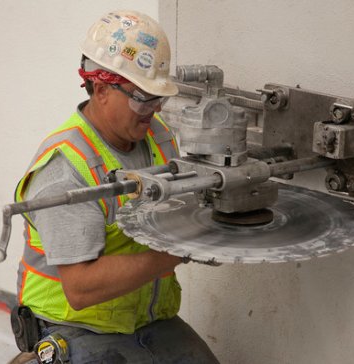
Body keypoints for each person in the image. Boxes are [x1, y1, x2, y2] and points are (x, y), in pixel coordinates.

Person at [12, 10, 219, 363]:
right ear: (102, 88)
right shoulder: (66, 168)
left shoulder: (158, 137)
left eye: (159, 99)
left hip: (148, 320)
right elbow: (80, 288)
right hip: (74, 327)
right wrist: (180, 251)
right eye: (142, 98)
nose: (152, 110)